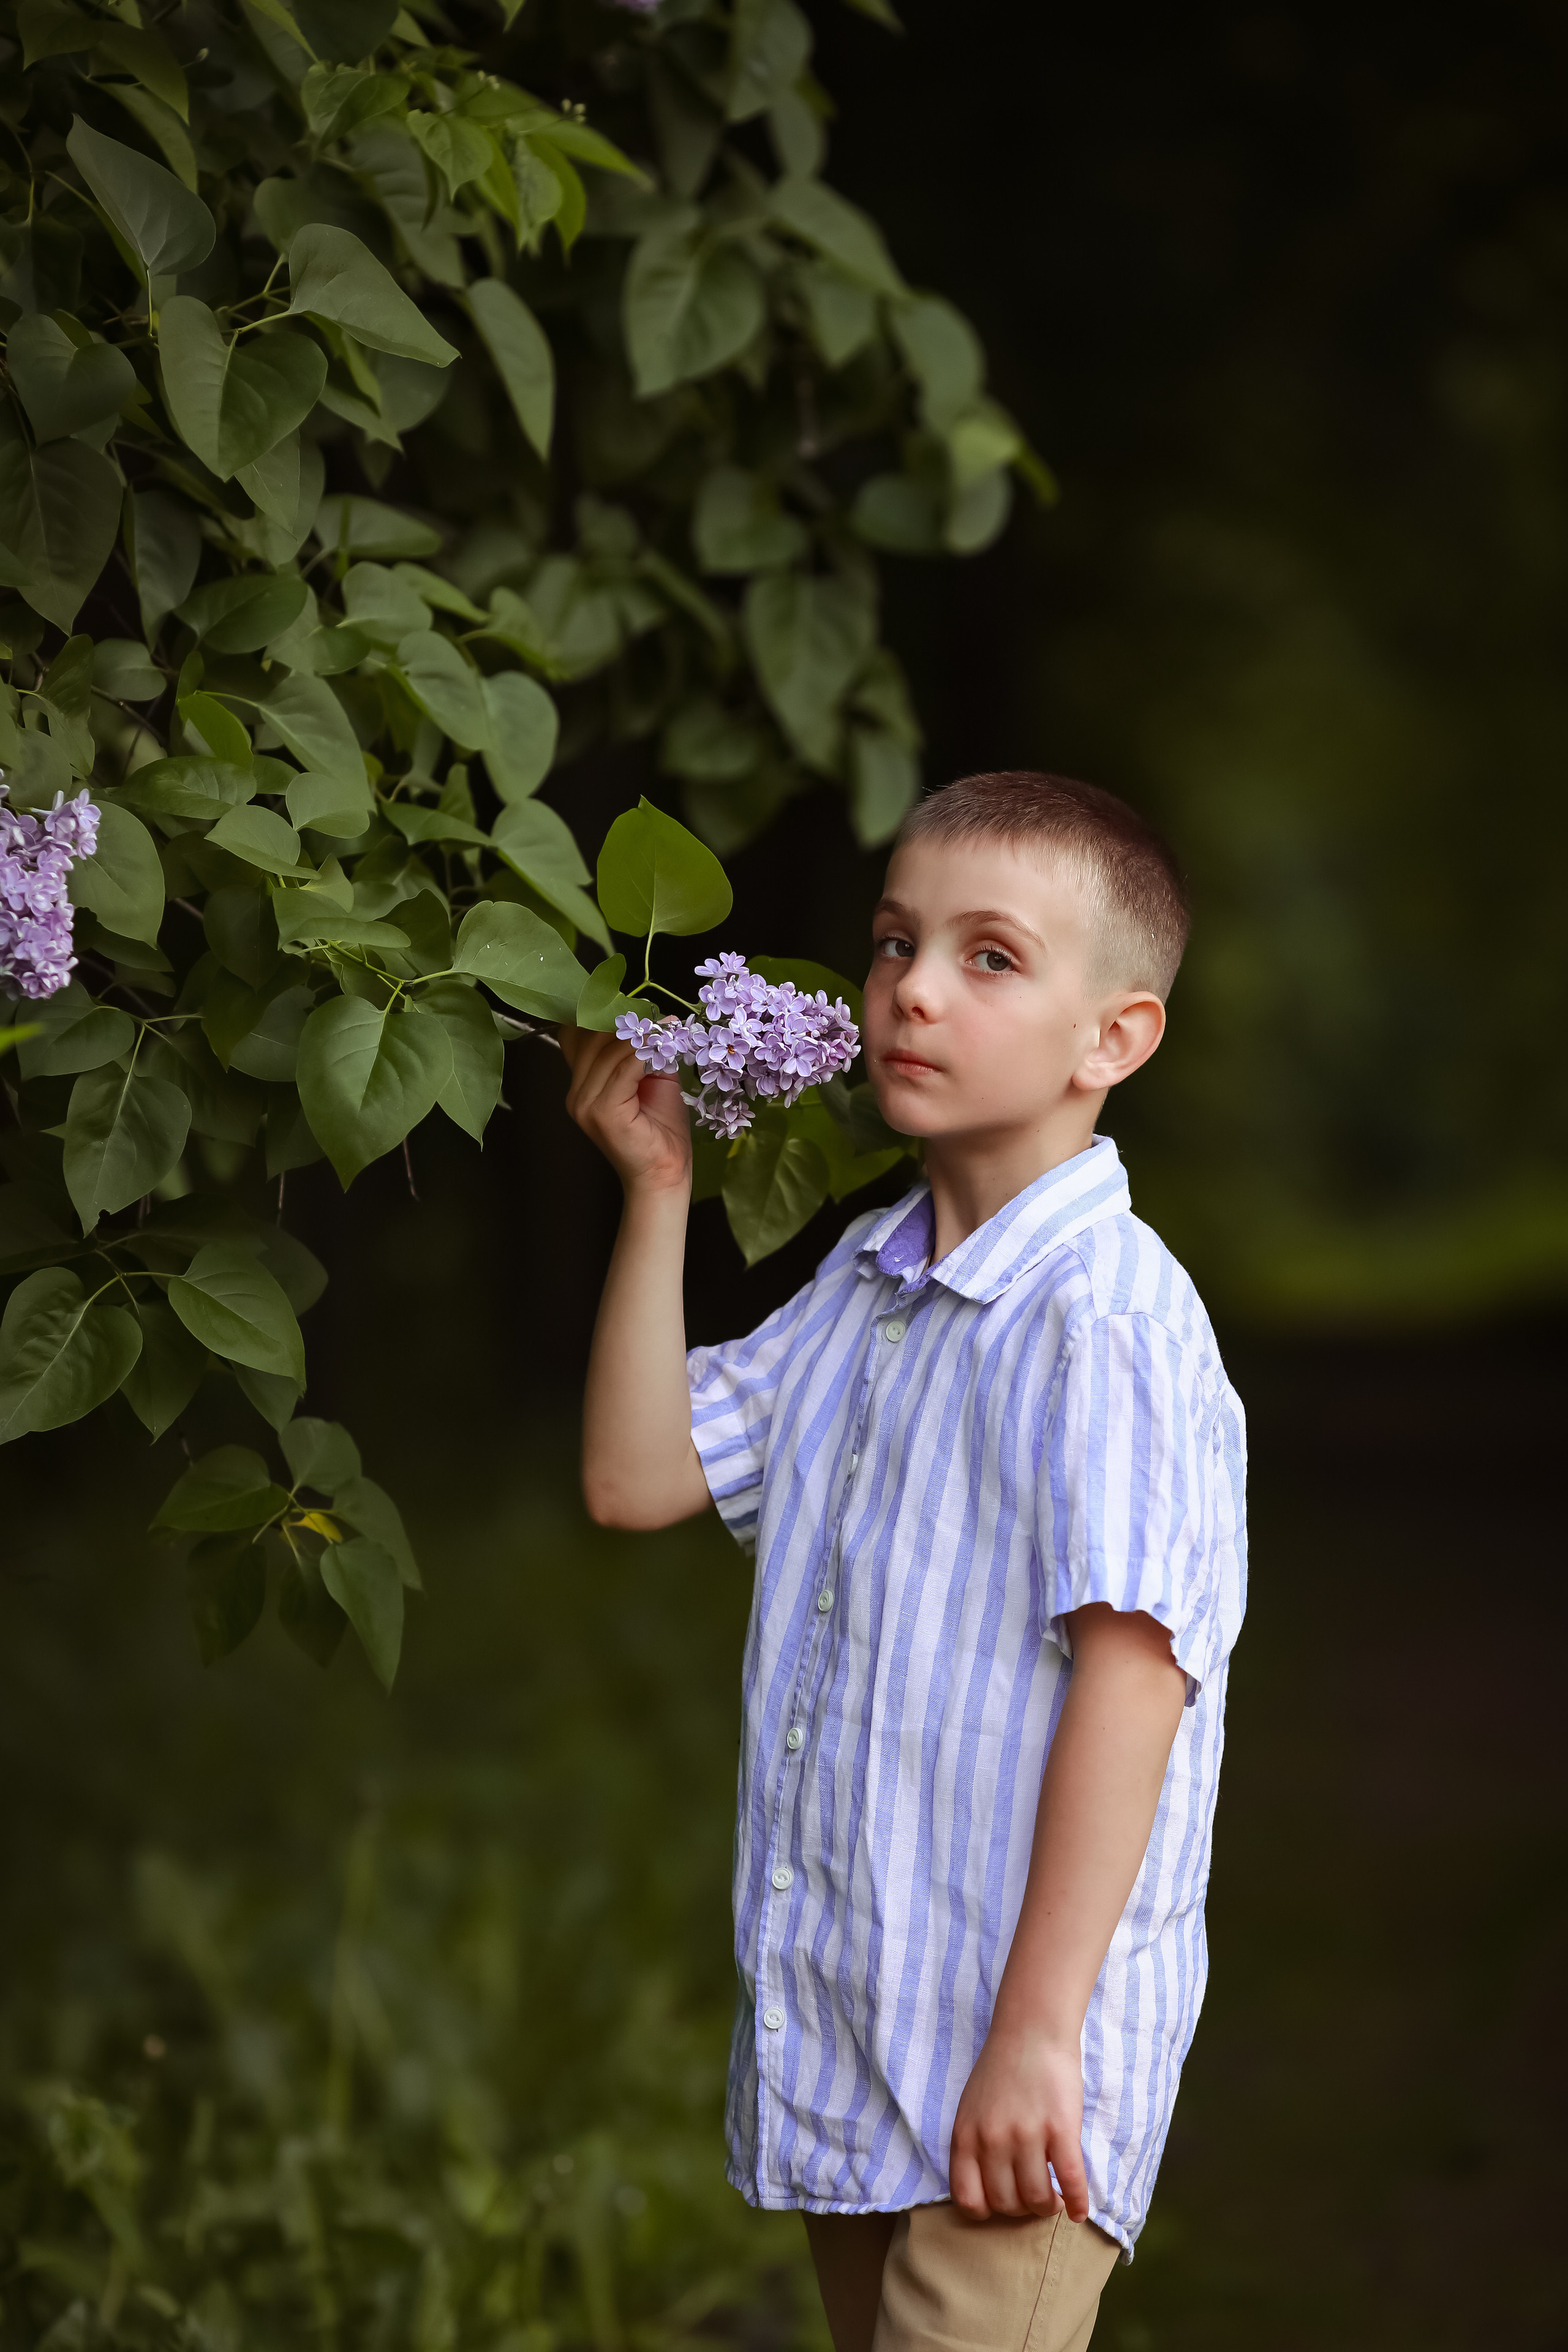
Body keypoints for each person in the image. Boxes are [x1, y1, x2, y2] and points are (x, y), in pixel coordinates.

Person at [562, 771, 1246, 2352]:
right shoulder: (861, 1289)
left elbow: (1133, 1692)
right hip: (857, 2032)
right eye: (891, 943)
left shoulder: (1110, 1324)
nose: (911, 990)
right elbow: (635, 1476)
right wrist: (661, 1195)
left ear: (1113, 1038)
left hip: (1015, 2077)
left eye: (990, 957)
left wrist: (1034, 2039)